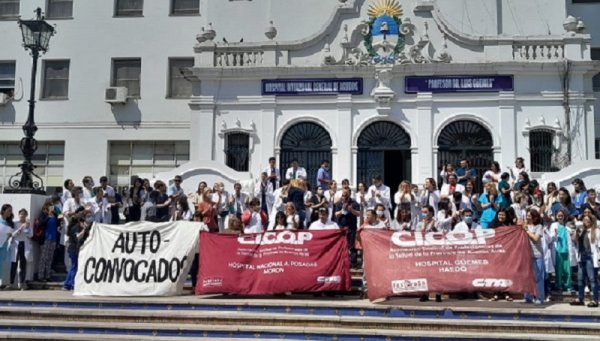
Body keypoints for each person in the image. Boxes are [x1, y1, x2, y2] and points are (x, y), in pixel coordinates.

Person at [570, 215, 600, 307]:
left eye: (587, 220)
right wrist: (577, 230)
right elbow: (573, 239)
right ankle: (580, 298)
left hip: (590, 257)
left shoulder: (596, 231)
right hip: (581, 257)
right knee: (580, 279)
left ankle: (595, 300)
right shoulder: (581, 231)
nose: (585, 221)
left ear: (591, 221)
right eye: (584, 220)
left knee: (593, 279)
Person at [63, 211, 91, 291]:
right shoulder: (76, 227)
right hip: (74, 249)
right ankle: (71, 283)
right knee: (74, 267)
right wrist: (84, 230)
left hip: (75, 249)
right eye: (84, 221)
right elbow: (77, 237)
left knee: (74, 266)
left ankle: (67, 284)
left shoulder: (77, 227)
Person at [333, 188, 361, 267]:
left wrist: (351, 209)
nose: (344, 196)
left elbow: (359, 214)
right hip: (342, 228)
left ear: (350, 194)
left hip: (352, 227)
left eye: (346, 194)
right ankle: (342, 262)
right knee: (342, 245)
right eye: (343, 194)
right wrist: (342, 210)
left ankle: (353, 263)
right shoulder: (339, 203)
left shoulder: (354, 203)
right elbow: (336, 214)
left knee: (352, 246)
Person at [523, 209, 545, 304]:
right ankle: (528, 297)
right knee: (527, 277)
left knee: (538, 278)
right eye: (527, 215)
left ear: (534, 217)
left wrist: (527, 231)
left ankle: (539, 298)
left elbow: (536, 238)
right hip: (526, 255)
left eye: (529, 215)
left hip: (537, 255)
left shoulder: (539, 226)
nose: (527, 217)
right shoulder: (524, 226)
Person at [549, 209, 573, 293]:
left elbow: (572, 237)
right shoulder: (553, 225)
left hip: (567, 251)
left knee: (567, 270)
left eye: (561, 215)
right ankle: (558, 285)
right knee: (558, 270)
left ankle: (568, 286)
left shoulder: (567, 226)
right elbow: (551, 238)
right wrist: (555, 234)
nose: (560, 217)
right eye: (558, 215)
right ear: (556, 216)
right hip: (557, 251)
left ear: (564, 216)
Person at [9, 209, 32, 290]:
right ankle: (11, 283)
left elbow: (31, 235)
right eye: (21, 214)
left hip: (24, 245)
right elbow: (12, 234)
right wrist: (19, 230)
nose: (22, 216)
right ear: (18, 215)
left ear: (26, 215)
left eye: (24, 214)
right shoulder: (15, 223)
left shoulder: (28, 224)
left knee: (23, 265)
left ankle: (22, 283)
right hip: (16, 244)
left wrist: (27, 228)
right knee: (13, 264)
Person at [37, 202, 59, 282]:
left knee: (50, 258)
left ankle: (48, 275)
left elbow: (58, 224)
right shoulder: (43, 215)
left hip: (53, 239)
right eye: (50, 206)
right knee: (43, 258)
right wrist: (48, 216)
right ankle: (41, 275)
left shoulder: (54, 215)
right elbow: (41, 223)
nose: (51, 208)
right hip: (46, 239)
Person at [189, 212, 209, 290]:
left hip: (202, 251)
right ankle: (194, 285)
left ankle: (200, 285)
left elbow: (207, 234)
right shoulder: (190, 226)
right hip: (193, 251)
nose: (196, 219)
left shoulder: (204, 226)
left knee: (201, 269)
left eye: (197, 217)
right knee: (193, 269)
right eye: (195, 217)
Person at [0, 204, 14, 288]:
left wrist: (10, 235)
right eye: (8, 210)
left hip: (3, 245)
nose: (10, 212)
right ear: (3, 210)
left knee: (1, 264)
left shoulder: (9, 222)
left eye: (11, 210)